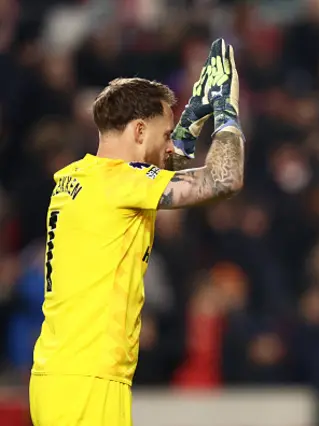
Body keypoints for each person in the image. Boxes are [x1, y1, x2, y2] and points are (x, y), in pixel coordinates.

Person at [28, 38, 244, 426]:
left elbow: (158, 166)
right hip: (90, 380)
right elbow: (225, 179)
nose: (169, 147)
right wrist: (226, 112)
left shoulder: (76, 177)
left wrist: (193, 112)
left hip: (59, 375)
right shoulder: (121, 182)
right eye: (164, 136)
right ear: (140, 129)